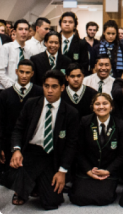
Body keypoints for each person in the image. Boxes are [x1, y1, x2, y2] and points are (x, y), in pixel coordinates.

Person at [5, 70, 79, 209]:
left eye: (54, 86)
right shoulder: (31, 104)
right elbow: (18, 130)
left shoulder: (71, 113)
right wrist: (16, 150)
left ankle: (33, 184)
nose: (49, 90)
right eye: (46, 86)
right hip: (30, 153)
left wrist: (62, 171)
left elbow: (71, 145)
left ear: (62, 87)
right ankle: (23, 188)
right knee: (12, 169)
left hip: (52, 156)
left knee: (51, 203)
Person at [70, 93, 123, 206]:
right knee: (78, 198)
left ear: (111, 107)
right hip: (89, 169)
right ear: (92, 107)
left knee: (104, 199)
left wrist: (108, 170)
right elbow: (79, 151)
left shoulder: (120, 125)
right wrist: (88, 170)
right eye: (97, 104)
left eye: (105, 103)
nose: (101, 107)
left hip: (108, 170)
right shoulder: (85, 122)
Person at [0, 60, 43, 173]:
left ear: (32, 73)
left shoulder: (39, 92)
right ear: (16, 72)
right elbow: (1, 122)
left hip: (32, 144)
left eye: (27, 73)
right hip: (9, 144)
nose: (24, 75)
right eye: (21, 72)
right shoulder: (5, 94)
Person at [0, 19, 31, 90]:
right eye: (20, 29)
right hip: (7, 89)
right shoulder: (6, 48)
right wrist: (13, 88)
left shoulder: (29, 50)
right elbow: (1, 72)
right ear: (14, 31)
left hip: (24, 90)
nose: (24, 32)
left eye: (26, 29)